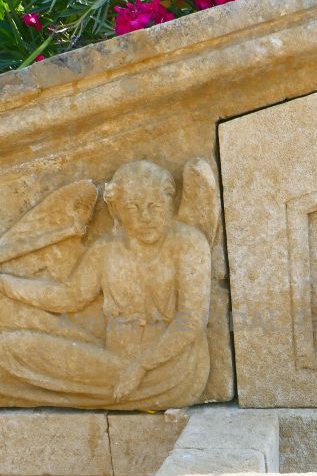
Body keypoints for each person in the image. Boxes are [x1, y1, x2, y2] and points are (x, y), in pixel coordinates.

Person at [0, 160, 211, 409]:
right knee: (10, 346)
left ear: (169, 203)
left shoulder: (188, 244)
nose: (145, 217)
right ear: (116, 209)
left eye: (154, 205)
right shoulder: (105, 249)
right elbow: (69, 296)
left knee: (12, 354)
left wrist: (142, 366)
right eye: (132, 207)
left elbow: (191, 319)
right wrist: (7, 285)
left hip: (168, 370)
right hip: (113, 361)